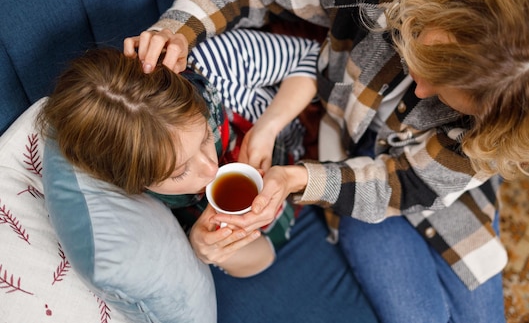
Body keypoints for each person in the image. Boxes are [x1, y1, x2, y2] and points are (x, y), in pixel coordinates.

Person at [124, 0, 529, 322]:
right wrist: (180, 29)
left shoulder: (501, 124)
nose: (419, 87)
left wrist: (298, 180)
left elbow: (405, 185)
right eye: (423, 56)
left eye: (446, 95)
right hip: (341, 156)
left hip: (421, 186)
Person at [39, 27, 319, 277]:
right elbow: (265, 254)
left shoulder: (216, 64)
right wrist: (207, 249)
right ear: (135, 182)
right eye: (179, 172)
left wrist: (268, 127)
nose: (211, 169)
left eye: (205, 135)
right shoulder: (152, 209)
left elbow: (315, 56)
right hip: (304, 200)